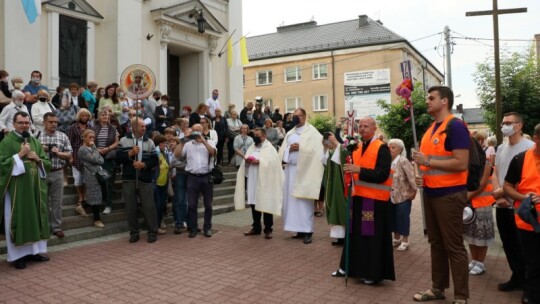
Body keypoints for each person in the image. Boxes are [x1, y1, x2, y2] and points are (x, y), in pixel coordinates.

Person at [412, 86, 470, 303]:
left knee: (453, 246)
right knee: (436, 243)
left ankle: (461, 296)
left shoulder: (455, 127)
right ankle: (438, 288)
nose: (427, 101)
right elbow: (431, 164)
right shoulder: (431, 129)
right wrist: (423, 176)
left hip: (450, 195)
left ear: (444, 101)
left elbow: (461, 163)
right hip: (431, 193)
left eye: (431, 98)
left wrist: (426, 161)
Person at [331, 116, 394, 284]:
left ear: (375, 128)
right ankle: (350, 267)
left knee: (370, 237)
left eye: (366, 126)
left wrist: (359, 169)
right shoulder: (357, 147)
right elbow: (344, 151)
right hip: (357, 198)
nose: (362, 129)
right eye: (361, 126)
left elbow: (382, 174)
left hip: (373, 201)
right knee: (354, 234)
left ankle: (372, 273)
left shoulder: (382, 148)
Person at [0, 112, 51, 269]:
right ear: (13, 124)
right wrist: (19, 155)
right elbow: (2, 164)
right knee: (19, 218)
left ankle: (34, 252)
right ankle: (18, 256)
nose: (24, 125)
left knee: (35, 217)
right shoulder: (6, 142)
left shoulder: (34, 140)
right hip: (17, 190)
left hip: (35, 187)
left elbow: (46, 162)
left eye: (26, 122)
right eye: (20, 123)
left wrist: (38, 159)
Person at [491, 112, 533, 302]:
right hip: (502, 205)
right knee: (508, 244)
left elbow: (528, 179)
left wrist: (502, 193)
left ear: (519, 126)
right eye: (503, 123)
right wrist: (497, 193)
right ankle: (516, 276)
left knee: (524, 246)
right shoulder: (501, 147)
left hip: (520, 206)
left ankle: (529, 284)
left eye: (508, 123)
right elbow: (495, 171)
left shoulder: (530, 148)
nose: (504, 126)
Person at [503, 124, 540, 304]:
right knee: (532, 262)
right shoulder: (520, 159)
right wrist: (524, 197)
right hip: (527, 222)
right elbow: (507, 186)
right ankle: (531, 295)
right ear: (536, 139)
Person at [278, 108, 324, 244]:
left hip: (306, 171)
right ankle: (298, 230)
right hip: (291, 170)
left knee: (304, 202)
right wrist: (288, 149)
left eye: (299, 116)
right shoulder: (290, 133)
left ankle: (308, 231)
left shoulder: (312, 132)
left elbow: (318, 150)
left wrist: (301, 148)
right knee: (292, 202)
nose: (296, 118)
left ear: (304, 116)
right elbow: (282, 151)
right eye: (294, 116)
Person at [235, 128, 284, 239]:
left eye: (257, 135)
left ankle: (268, 229)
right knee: (254, 204)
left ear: (264, 136)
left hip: (265, 181)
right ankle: (256, 227)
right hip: (253, 179)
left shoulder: (269, 148)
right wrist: (247, 162)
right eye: (254, 135)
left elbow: (274, 164)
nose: (255, 137)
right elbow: (245, 163)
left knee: (265, 203)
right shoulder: (252, 147)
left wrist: (260, 162)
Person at [116, 117, 159, 243]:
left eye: (145, 126)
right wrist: (129, 153)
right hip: (129, 178)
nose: (144, 128)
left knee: (149, 206)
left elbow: (155, 160)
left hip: (145, 178)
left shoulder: (149, 142)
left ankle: (152, 232)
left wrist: (144, 165)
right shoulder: (123, 140)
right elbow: (118, 158)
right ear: (134, 127)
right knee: (130, 207)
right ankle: (134, 232)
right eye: (142, 126)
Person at [175, 123, 216, 238]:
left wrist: (203, 141)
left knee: (208, 205)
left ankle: (207, 228)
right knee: (192, 205)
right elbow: (177, 155)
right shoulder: (187, 144)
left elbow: (213, 152)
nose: (195, 132)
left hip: (207, 176)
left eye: (198, 130)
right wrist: (183, 140)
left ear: (203, 131)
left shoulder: (210, 141)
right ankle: (193, 228)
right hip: (192, 177)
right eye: (193, 130)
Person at [464, 132, 495, 276]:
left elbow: (482, 185)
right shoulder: (467, 160)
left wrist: (466, 197)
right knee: (471, 234)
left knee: (481, 235)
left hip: (482, 203)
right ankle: (474, 260)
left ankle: (481, 262)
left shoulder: (486, 161)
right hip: (470, 204)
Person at [38, 112, 73, 238]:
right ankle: (44, 227)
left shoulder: (62, 136)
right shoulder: (37, 136)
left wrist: (58, 153)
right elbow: (31, 152)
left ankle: (56, 227)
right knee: (43, 202)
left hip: (58, 171)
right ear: (44, 122)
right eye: (51, 121)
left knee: (57, 202)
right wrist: (43, 149)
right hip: (41, 172)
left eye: (56, 122)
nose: (54, 124)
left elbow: (69, 154)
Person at [388, 138, 417, 251]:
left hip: (403, 195)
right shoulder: (387, 161)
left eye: (393, 147)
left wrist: (413, 191)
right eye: (389, 147)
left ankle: (405, 240)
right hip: (390, 195)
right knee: (392, 217)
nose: (390, 149)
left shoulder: (403, 161)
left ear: (400, 150)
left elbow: (411, 177)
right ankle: (396, 238)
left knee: (403, 217)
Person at [92, 109, 119, 215]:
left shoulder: (113, 128)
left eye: (107, 115)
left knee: (108, 181)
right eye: (103, 115)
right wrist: (97, 149)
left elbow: (117, 142)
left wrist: (107, 149)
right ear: (99, 117)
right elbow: (89, 140)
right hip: (97, 156)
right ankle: (98, 203)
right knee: (98, 180)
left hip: (108, 157)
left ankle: (108, 204)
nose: (105, 117)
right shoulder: (94, 128)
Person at [322, 133, 347, 246]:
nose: (329, 143)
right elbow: (324, 161)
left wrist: (337, 143)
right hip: (332, 184)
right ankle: (339, 236)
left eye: (330, 141)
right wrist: (325, 147)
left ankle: (346, 236)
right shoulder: (331, 151)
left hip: (341, 184)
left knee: (341, 207)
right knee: (334, 208)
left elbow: (343, 159)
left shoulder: (343, 148)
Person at [67, 108, 92, 216]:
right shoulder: (73, 127)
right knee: (77, 178)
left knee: (86, 177)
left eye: (86, 116)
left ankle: (86, 196)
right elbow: (69, 142)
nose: (85, 117)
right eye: (82, 115)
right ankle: (80, 196)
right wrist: (70, 157)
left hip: (87, 155)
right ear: (79, 116)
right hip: (76, 154)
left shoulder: (90, 127)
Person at [78, 129, 106, 228]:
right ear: (84, 138)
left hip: (98, 173)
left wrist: (96, 155)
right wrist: (95, 148)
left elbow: (101, 160)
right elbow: (95, 159)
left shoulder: (92, 149)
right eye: (89, 137)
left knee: (96, 196)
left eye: (93, 137)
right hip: (90, 174)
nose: (92, 139)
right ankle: (97, 220)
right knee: (95, 196)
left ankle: (82, 206)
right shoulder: (82, 149)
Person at [170, 131, 190, 234]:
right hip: (181, 175)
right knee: (180, 200)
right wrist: (186, 165)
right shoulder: (180, 146)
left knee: (189, 201)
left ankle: (187, 222)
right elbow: (173, 162)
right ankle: (179, 223)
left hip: (191, 176)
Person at [153, 135, 170, 235]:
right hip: (156, 184)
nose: (166, 145)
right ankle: (156, 226)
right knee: (158, 206)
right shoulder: (155, 153)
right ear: (159, 144)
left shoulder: (164, 153)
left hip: (164, 183)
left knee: (162, 205)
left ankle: (158, 225)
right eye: (164, 143)